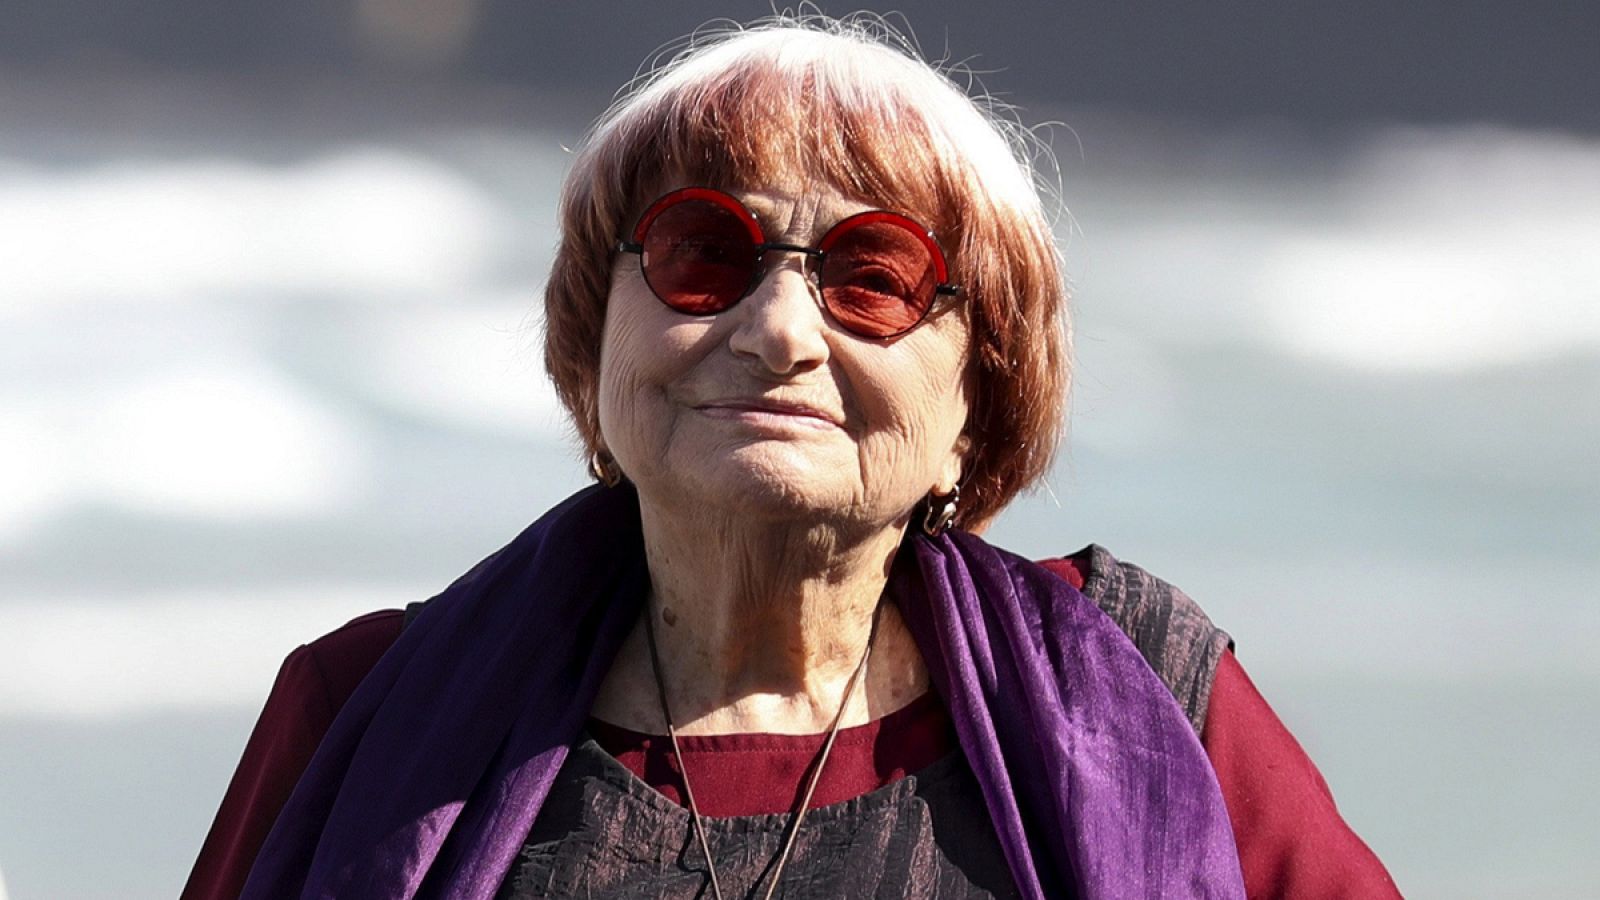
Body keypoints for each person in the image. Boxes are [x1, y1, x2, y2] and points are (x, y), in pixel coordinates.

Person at [186, 15, 1399, 900]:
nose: (773, 330)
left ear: (977, 401)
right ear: (593, 349)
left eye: (872, 280)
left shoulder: (1140, 697)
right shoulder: (366, 709)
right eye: (700, 253)